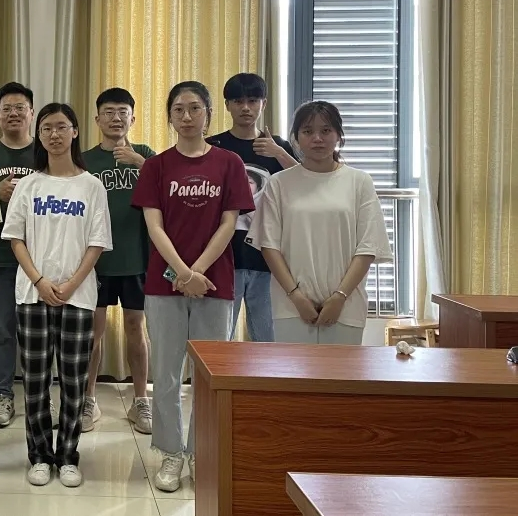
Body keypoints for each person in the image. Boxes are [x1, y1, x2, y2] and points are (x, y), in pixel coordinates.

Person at [132, 81, 254, 493]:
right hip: (163, 283)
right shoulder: (156, 166)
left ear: (208, 115)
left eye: (195, 108)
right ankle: (170, 452)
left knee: (208, 374)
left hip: (214, 283)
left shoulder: (229, 163)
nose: (187, 116)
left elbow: (229, 222)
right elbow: (154, 226)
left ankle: (202, 451)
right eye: (179, 109)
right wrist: (183, 273)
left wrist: (197, 271)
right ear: (169, 116)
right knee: (166, 373)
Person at [1, 102, 112, 489]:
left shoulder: (91, 185)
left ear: (75, 131)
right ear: (39, 134)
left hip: (77, 297)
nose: (54, 134)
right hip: (32, 294)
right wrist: (40, 281)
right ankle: (39, 456)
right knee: (34, 381)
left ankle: (67, 456)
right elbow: (15, 238)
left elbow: (97, 243)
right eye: (46, 128)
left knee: (73, 380)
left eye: (62, 126)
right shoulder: (29, 185)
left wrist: (70, 284)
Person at [246, 100, 392, 345]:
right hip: (290, 306)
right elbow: (269, 246)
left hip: (346, 305)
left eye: (326, 130)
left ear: (338, 135)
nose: (317, 138)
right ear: (296, 138)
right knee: (293, 370)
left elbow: (368, 247)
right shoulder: (279, 184)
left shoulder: (359, 182)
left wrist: (339, 297)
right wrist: (296, 297)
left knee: (341, 370)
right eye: (307, 131)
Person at [81, 88, 155, 434]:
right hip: (95, 260)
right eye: (108, 112)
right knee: (92, 332)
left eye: (122, 112)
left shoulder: (146, 155)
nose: (116, 118)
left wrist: (140, 163)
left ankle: (141, 400)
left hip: (137, 257)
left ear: (132, 118)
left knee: (135, 328)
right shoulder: (84, 160)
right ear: (97, 119)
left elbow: (168, 186)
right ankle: (88, 399)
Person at [207, 73, 297, 342]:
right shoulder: (213, 146)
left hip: (268, 257)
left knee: (267, 339)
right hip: (224, 257)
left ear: (264, 103)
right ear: (227, 105)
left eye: (253, 100)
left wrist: (279, 153)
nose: (245, 107)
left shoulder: (278, 146)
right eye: (238, 101)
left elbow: (305, 183)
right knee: (218, 339)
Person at [0, 82, 36, 428]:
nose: (14, 114)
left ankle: (39, 395)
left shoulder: (46, 152)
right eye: (7, 109)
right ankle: (2, 395)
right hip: (0, 259)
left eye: (20, 108)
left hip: (40, 259)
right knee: (1, 329)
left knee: (38, 330)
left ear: (31, 113)